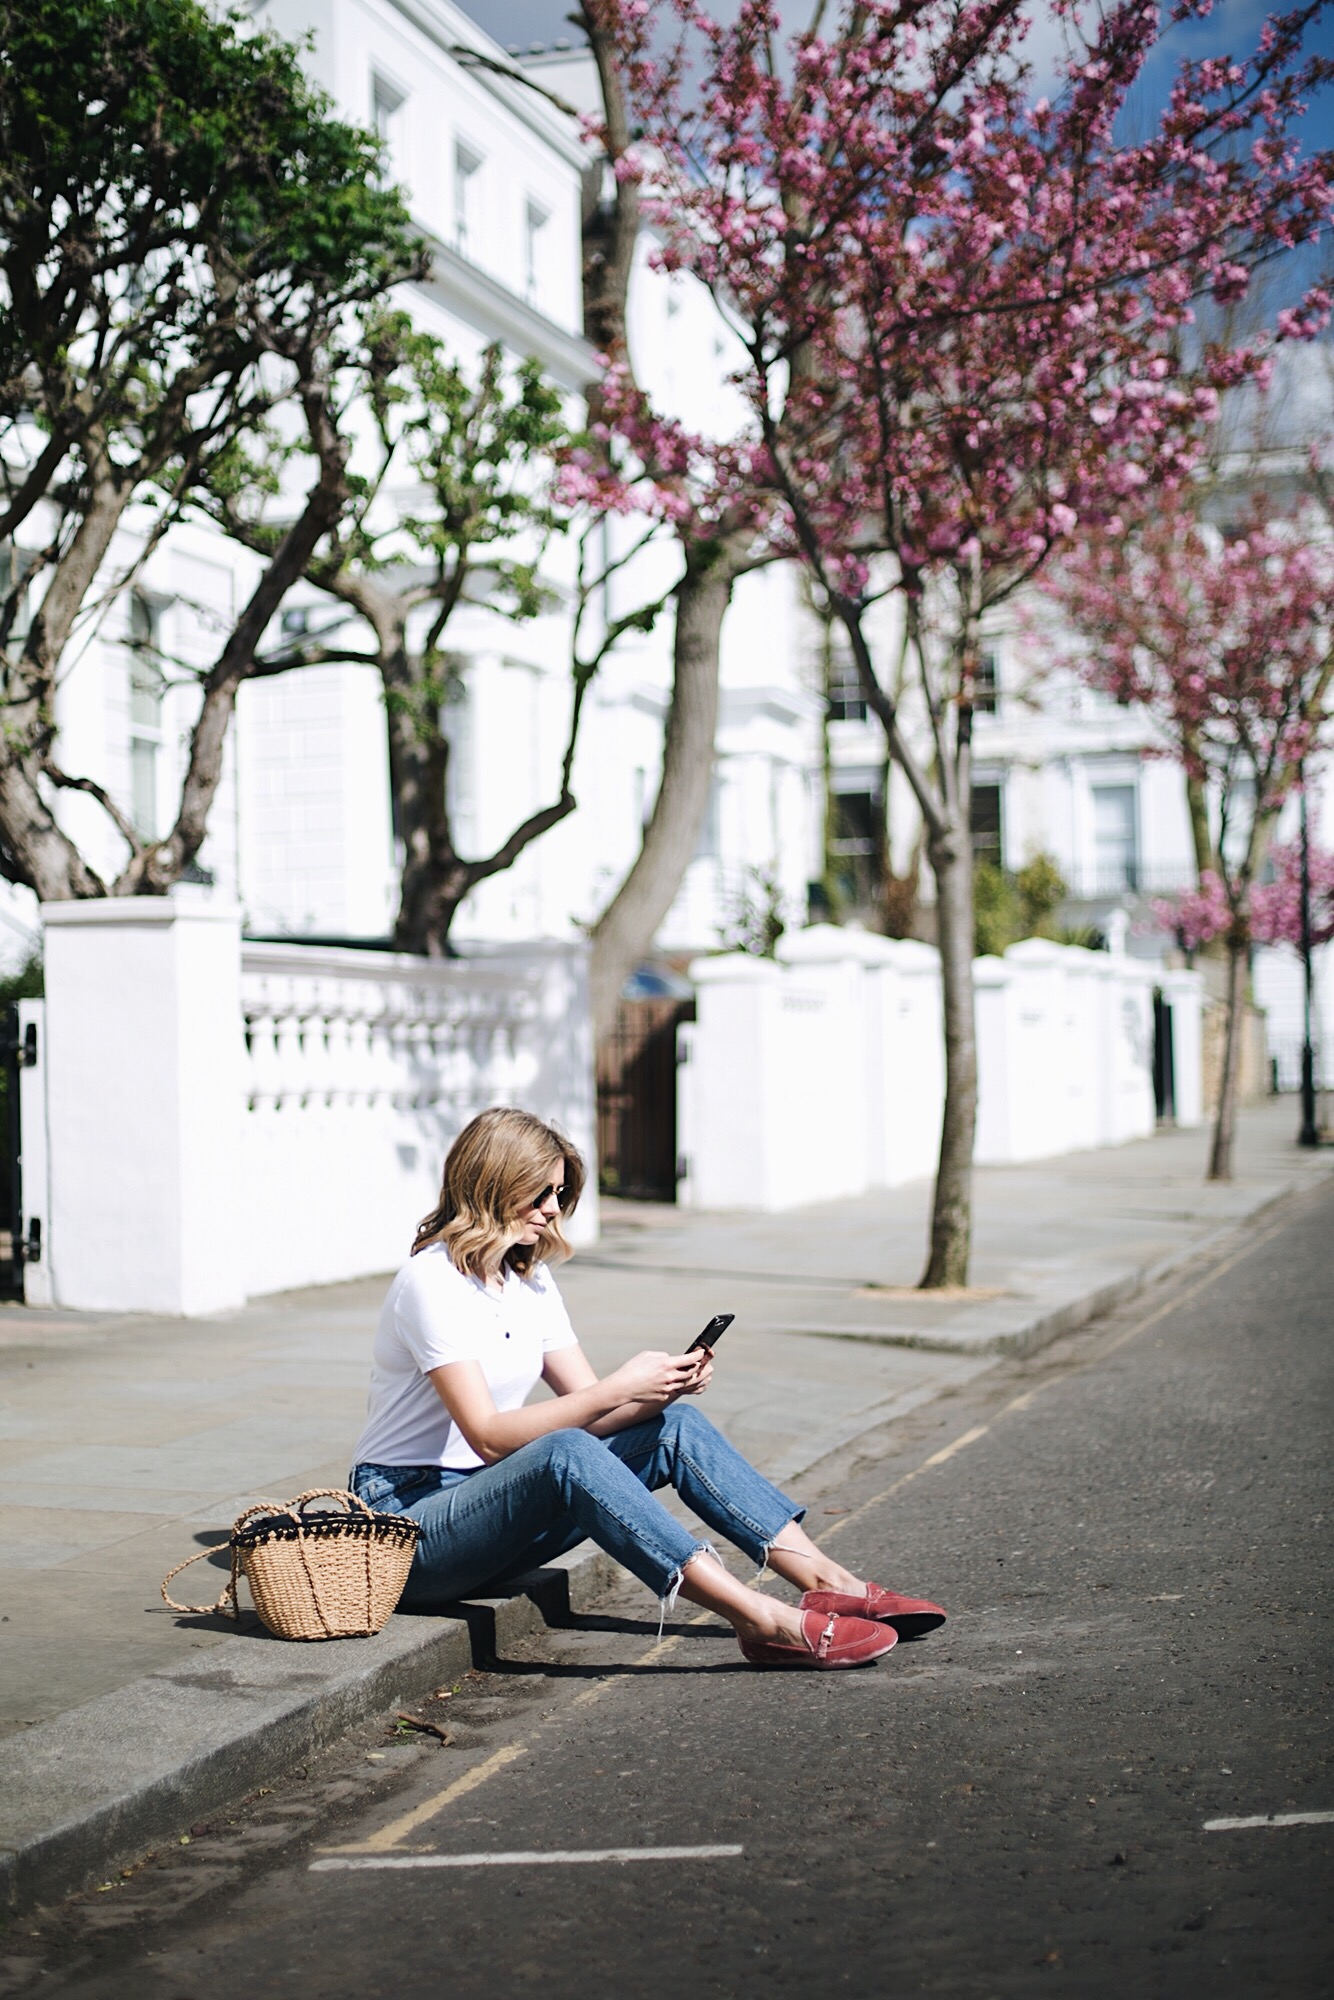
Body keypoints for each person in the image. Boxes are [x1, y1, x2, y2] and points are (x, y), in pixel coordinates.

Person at [350, 1106, 946, 1669]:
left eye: (560, 1194)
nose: (553, 1209)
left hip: (493, 1512)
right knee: (565, 1451)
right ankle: (760, 1619)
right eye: (540, 1193)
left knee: (671, 1428)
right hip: (409, 1529)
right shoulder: (430, 1282)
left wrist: (659, 1391)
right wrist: (617, 1387)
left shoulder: (528, 1282)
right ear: (491, 1183)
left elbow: (596, 1414)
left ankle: (829, 1585)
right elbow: (488, 1437)